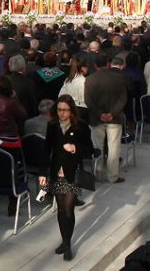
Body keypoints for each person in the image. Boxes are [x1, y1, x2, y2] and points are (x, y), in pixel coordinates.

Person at [38, 94, 93, 261]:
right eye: (59, 110)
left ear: (72, 110)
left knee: (68, 209)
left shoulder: (81, 126)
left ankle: (68, 245)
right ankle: (65, 241)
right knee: (61, 209)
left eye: (65, 110)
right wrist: (42, 174)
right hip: (57, 172)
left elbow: (89, 149)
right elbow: (47, 150)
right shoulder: (52, 125)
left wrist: (75, 148)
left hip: (72, 172)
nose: (62, 113)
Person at [84, 55, 129, 183]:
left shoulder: (89, 80)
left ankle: (98, 173)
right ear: (108, 64)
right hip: (114, 119)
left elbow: (88, 101)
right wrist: (112, 113)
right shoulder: (119, 78)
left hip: (97, 119)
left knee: (97, 147)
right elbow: (123, 99)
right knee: (114, 148)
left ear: (96, 66)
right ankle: (113, 176)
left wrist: (100, 114)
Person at [60, 55, 91, 122]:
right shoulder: (85, 81)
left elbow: (61, 96)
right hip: (82, 111)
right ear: (82, 67)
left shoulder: (68, 80)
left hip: (69, 109)